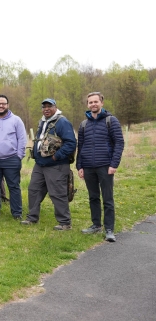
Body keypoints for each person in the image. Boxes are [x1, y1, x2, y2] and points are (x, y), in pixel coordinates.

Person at [21, 98, 77, 230]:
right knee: (34, 190)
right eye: (44, 106)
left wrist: (56, 157)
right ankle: (32, 218)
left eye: (49, 106)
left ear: (55, 107)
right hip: (40, 164)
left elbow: (71, 143)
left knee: (57, 193)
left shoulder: (62, 122)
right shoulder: (43, 121)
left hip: (56, 165)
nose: (46, 109)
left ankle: (65, 223)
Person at [77, 92, 124, 242]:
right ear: (87, 105)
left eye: (96, 102)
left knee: (108, 198)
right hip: (88, 167)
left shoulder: (111, 121)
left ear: (101, 103)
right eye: (90, 102)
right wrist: (80, 166)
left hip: (105, 166)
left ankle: (109, 229)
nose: (93, 104)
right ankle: (96, 225)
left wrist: (114, 164)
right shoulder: (84, 124)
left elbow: (119, 143)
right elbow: (80, 146)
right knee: (93, 197)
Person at [0, 94, 27, 219]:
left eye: (3, 104)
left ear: (8, 105)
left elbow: (22, 139)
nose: (1, 106)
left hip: (11, 159)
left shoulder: (16, 120)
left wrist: (19, 156)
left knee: (14, 186)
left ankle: (17, 213)